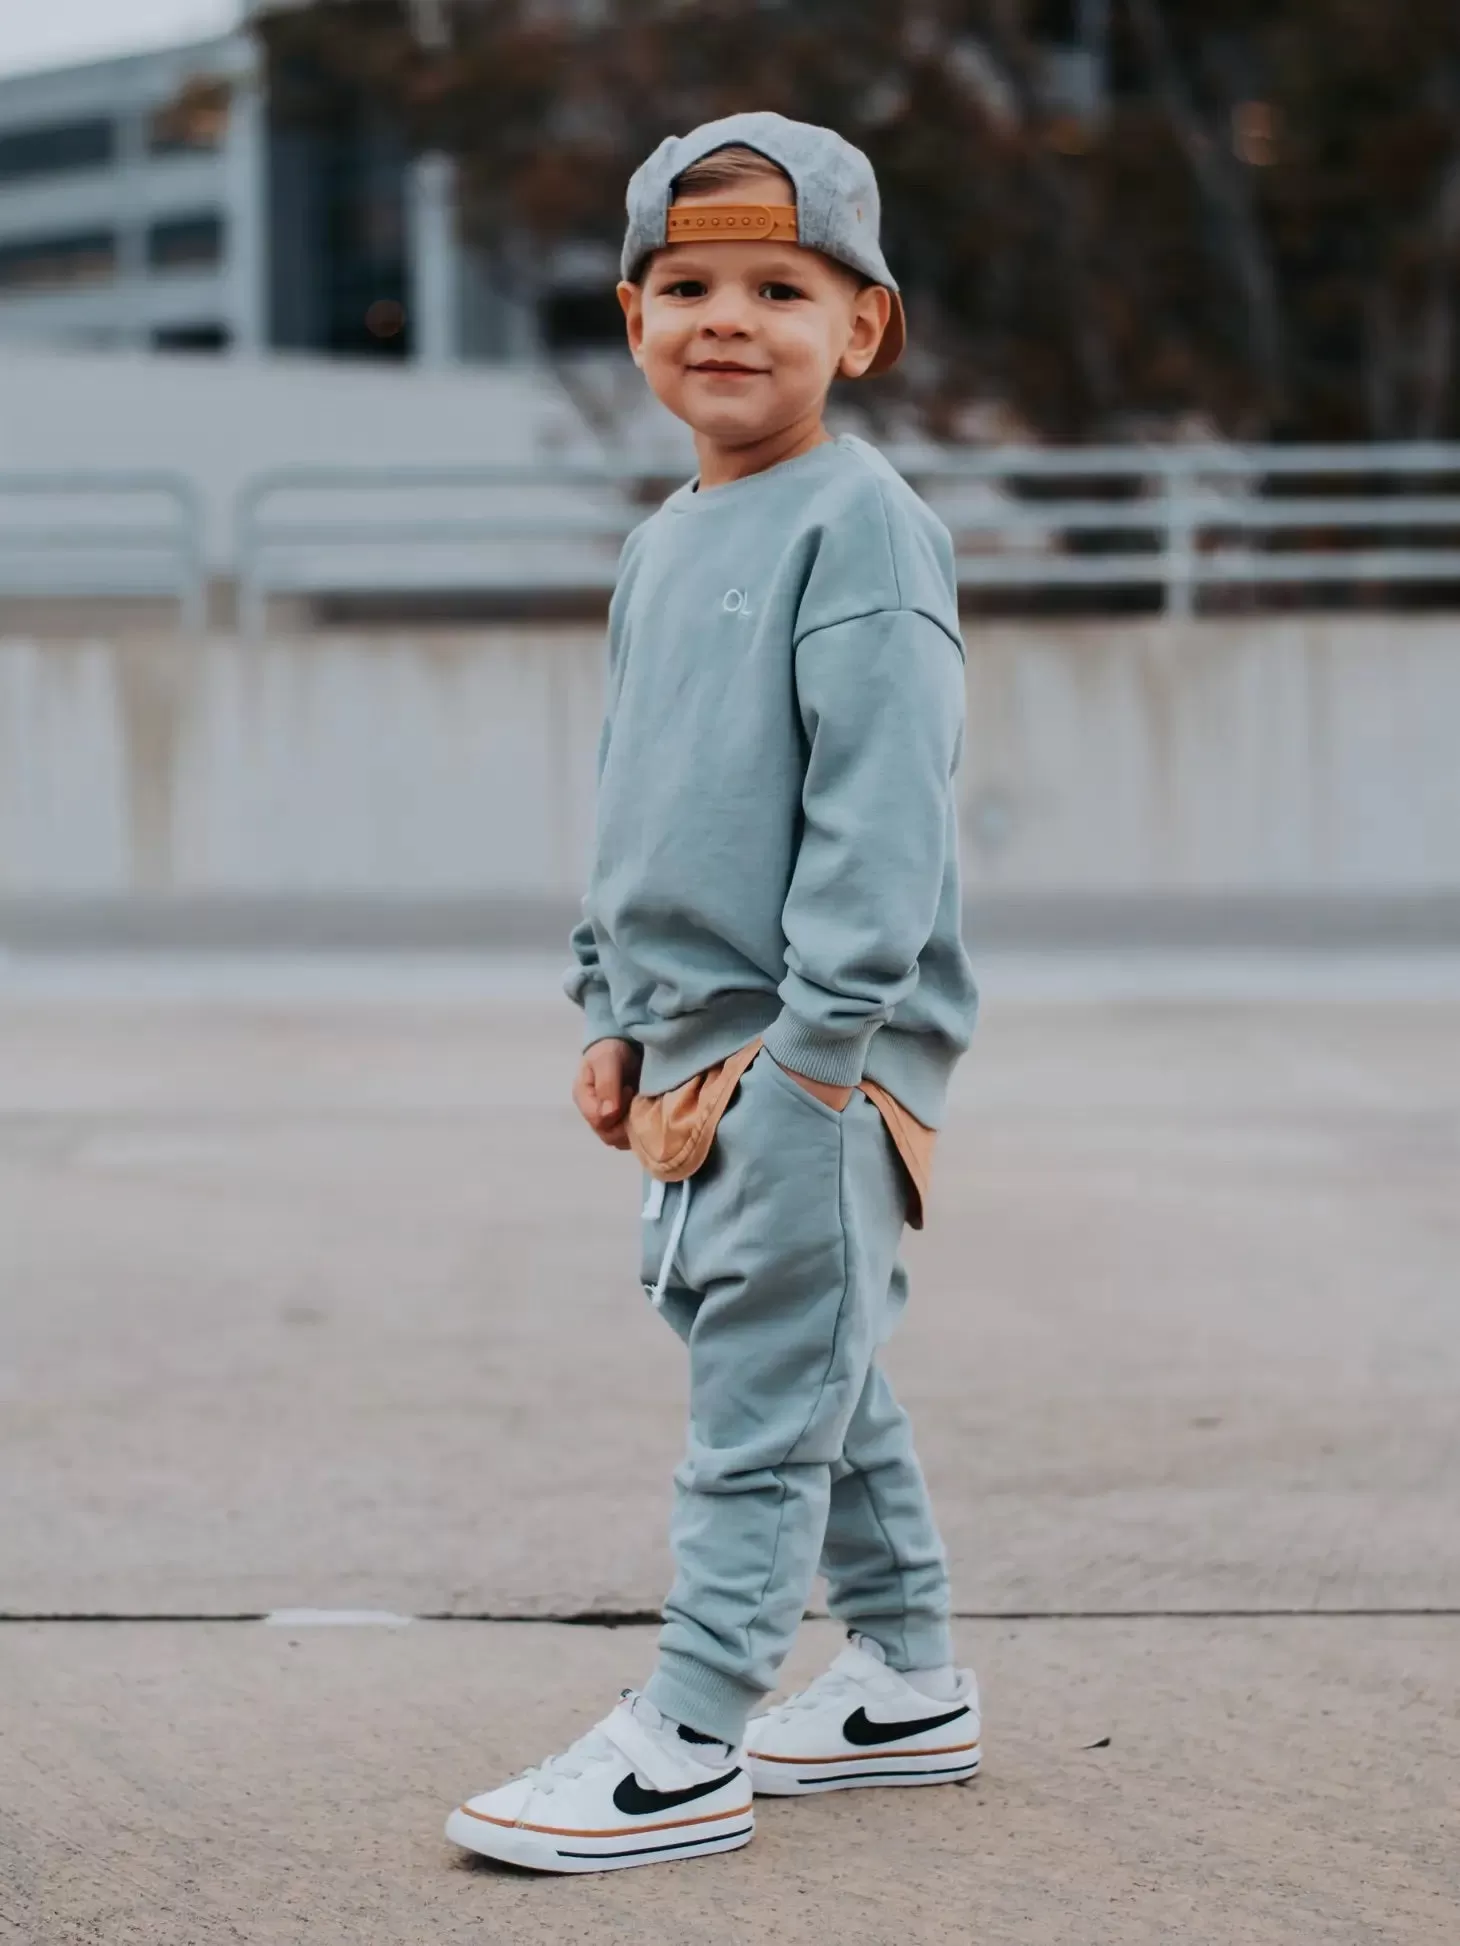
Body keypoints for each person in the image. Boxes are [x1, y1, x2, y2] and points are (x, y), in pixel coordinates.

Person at [446, 111, 980, 1876]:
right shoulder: (664, 538)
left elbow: (881, 822)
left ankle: (686, 1733)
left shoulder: (865, 528)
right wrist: (608, 1003)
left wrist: (818, 1057)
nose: (727, 318)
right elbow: (638, 787)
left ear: (864, 326)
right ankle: (904, 1676)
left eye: (780, 284)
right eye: (687, 284)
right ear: (630, 316)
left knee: (759, 1405)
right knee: (810, 1360)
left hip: (808, 1048)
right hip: (692, 1039)